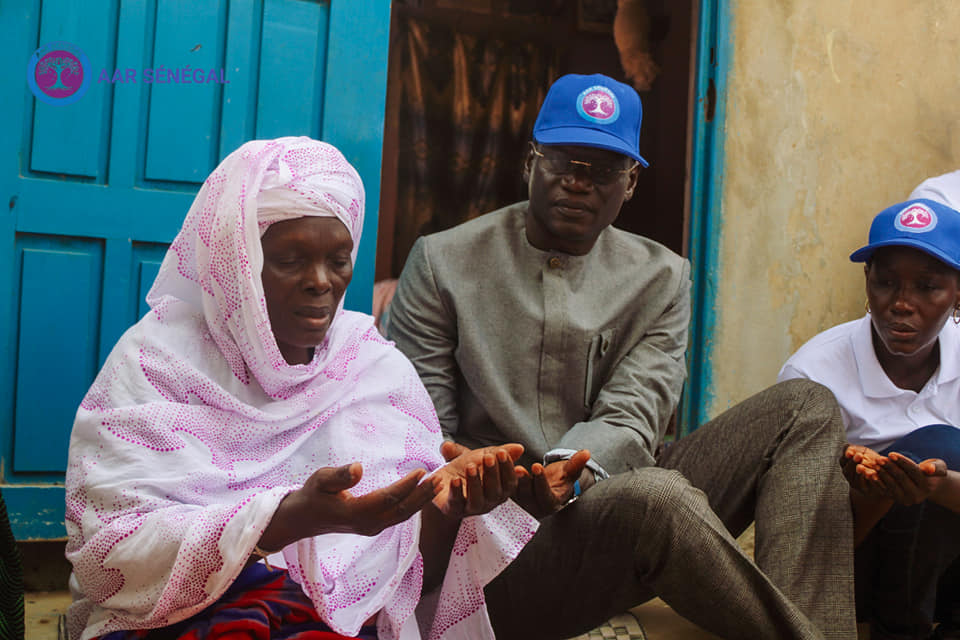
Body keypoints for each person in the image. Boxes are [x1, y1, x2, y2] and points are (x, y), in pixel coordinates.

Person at [386, 73, 857, 639]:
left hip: (600, 497)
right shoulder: (443, 263)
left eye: (604, 171)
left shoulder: (662, 277)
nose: (579, 184)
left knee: (806, 407)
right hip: (488, 544)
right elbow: (419, 431)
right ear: (531, 162)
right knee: (655, 496)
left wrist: (570, 470)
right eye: (564, 162)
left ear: (630, 183)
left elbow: (635, 413)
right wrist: (486, 478)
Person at [63, 137, 539, 640]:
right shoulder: (156, 362)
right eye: (290, 260)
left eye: (338, 259)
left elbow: (406, 575)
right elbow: (108, 550)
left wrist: (451, 506)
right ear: (237, 265)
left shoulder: (370, 363)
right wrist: (287, 519)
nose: (322, 282)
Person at [779, 198, 960, 640]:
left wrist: (936, 486)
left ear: (958, 293)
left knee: (940, 448)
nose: (901, 303)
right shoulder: (813, 376)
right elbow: (795, 540)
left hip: (946, 568)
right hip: (848, 571)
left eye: (927, 287)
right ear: (866, 280)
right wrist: (876, 493)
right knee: (938, 444)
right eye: (886, 282)